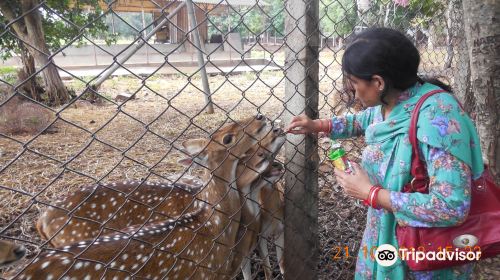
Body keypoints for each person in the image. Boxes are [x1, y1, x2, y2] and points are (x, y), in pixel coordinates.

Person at [285, 27, 484, 279]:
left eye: (355, 83)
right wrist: (319, 126)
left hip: (425, 251)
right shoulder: (396, 100)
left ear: (378, 83)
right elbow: (366, 119)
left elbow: (451, 206)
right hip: (386, 233)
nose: (353, 92)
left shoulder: (438, 119)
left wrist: (370, 193)